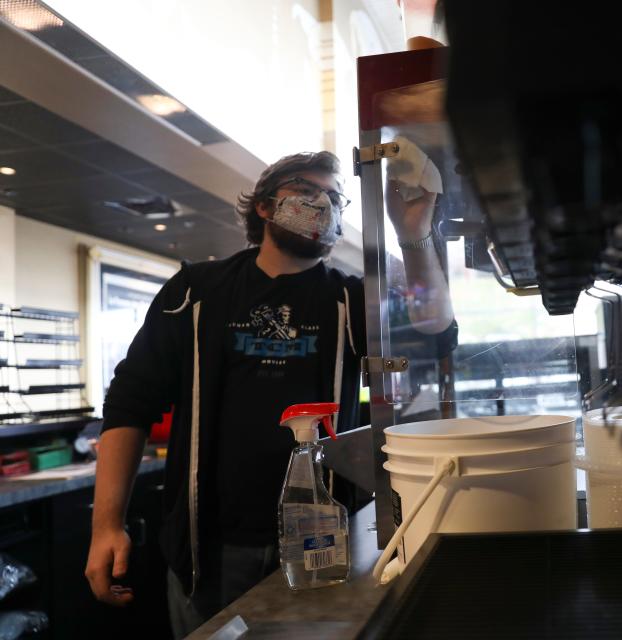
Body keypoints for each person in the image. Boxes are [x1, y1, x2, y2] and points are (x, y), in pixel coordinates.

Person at [84, 151, 456, 638]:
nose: (322, 203)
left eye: (334, 197)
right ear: (263, 205)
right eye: (306, 190)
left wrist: (412, 232)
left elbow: (436, 335)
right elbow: (130, 402)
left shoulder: (348, 299)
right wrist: (105, 525)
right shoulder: (196, 292)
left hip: (321, 540)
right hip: (207, 549)